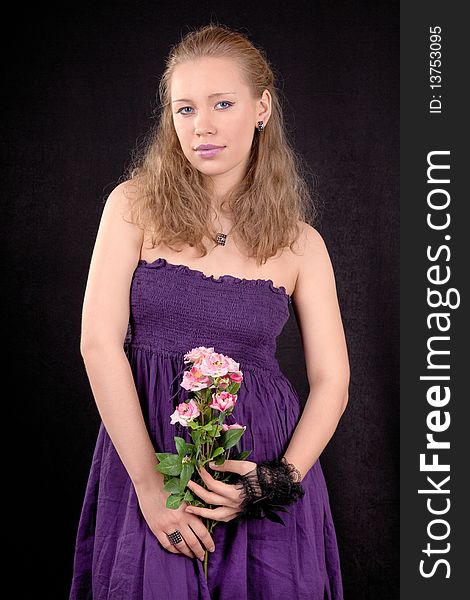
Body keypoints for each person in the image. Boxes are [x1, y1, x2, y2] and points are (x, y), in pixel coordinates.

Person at [69, 23, 350, 600]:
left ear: (262, 107)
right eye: (185, 109)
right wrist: (150, 488)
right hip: (152, 463)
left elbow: (332, 380)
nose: (203, 127)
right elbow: (98, 345)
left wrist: (277, 481)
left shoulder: (302, 243)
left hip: (260, 472)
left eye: (223, 103)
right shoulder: (132, 206)